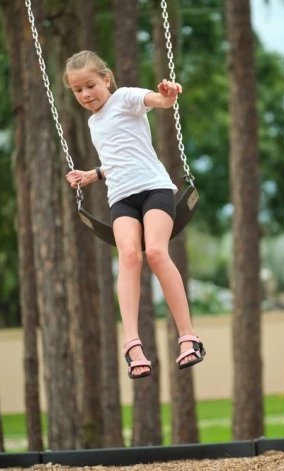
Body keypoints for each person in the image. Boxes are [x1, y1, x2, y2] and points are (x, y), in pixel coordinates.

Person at [63, 50, 206, 380]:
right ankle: (132, 345)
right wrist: (93, 175)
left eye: (90, 86)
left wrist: (166, 96)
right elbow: (117, 157)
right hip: (121, 199)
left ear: (106, 79)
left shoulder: (125, 98)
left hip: (154, 189)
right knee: (129, 256)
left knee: (155, 252)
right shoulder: (93, 122)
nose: (85, 94)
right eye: (77, 90)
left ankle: (189, 337)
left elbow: (158, 101)